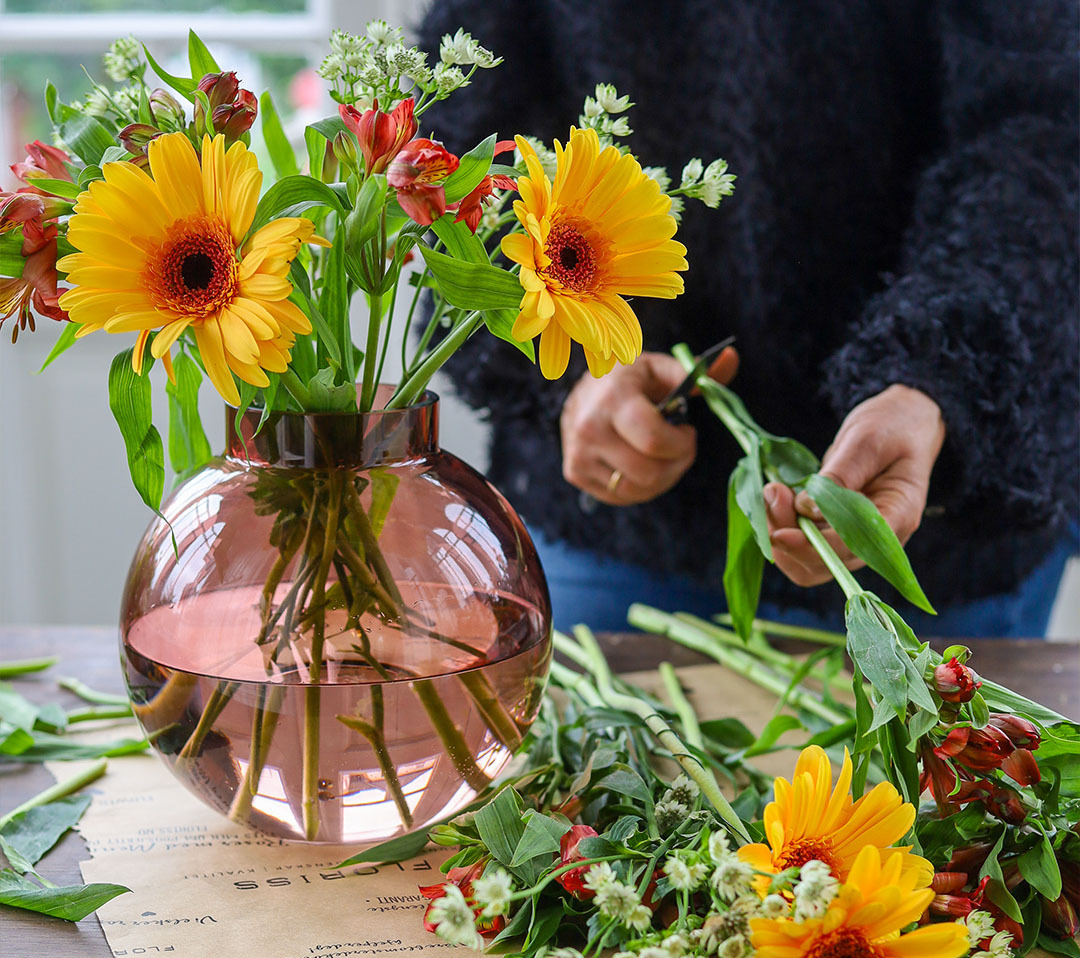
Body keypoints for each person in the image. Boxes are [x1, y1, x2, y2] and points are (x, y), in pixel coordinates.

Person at [416, 0, 1079, 636]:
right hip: (608, 507)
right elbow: (464, 156)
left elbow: (1043, 133)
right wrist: (566, 379)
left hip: (937, 512)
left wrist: (940, 372)